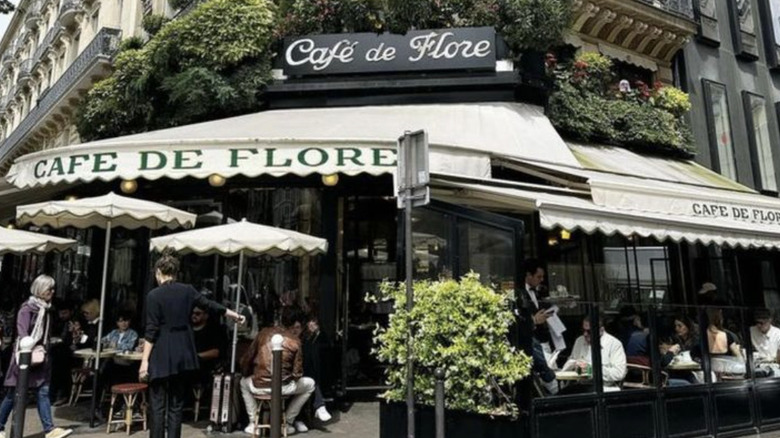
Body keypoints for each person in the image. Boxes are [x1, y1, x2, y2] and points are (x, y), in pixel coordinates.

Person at [140, 251, 244, 438]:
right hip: (183, 353)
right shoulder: (187, 290)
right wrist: (232, 314)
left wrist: (144, 361)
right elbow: (209, 304)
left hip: (161, 353)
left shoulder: (153, 296)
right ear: (176, 272)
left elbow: (151, 330)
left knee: (157, 405)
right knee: (176, 405)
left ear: (158, 272)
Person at [0, 275, 72, 438]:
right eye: (49, 289)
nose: (52, 292)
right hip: (26, 357)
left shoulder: (46, 310)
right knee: (13, 394)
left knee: (43, 391)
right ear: (39, 289)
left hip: (41, 357)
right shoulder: (27, 309)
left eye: (53, 289)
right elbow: (23, 333)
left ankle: (49, 429)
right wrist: (30, 346)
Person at [239, 307, 315, 436]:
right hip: (283, 387)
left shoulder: (263, 333)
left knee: (242, 383)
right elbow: (297, 373)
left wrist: (249, 374)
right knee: (310, 384)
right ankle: (289, 421)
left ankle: (253, 422)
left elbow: (247, 359)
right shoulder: (296, 341)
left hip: (260, 386)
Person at [562, 315, 627, 392]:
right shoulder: (579, 341)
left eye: (589, 331)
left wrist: (593, 370)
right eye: (583, 330)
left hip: (604, 386)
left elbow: (619, 373)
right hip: (581, 385)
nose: (585, 334)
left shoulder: (614, 344)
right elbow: (572, 361)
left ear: (601, 330)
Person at [300, 315, 332, 423]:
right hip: (306, 369)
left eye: (314, 323)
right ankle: (319, 406)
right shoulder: (305, 337)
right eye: (310, 323)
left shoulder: (319, 337)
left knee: (312, 380)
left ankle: (319, 406)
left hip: (315, 369)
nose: (312, 325)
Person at [706, 307, 745, 377]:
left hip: (710, 375)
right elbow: (740, 358)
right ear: (721, 319)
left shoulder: (701, 338)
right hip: (727, 375)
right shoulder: (728, 336)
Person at [751, 309, 780, 376]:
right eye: (757, 322)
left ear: (769, 320)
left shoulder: (778, 334)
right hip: (756, 367)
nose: (759, 325)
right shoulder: (751, 331)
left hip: (775, 367)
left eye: (761, 323)